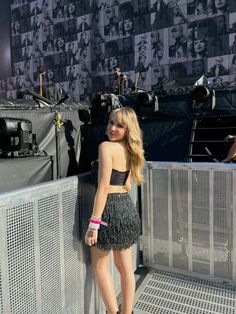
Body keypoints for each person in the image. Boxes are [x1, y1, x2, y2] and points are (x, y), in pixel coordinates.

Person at [85, 106, 145, 314]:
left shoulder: (105, 148)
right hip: (127, 210)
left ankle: (113, 312)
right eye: (111, 122)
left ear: (129, 129)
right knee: (126, 269)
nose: (113, 128)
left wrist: (94, 224)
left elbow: (103, 188)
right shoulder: (131, 150)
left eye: (120, 125)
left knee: (100, 267)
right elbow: (127, 185)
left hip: (108, 212)